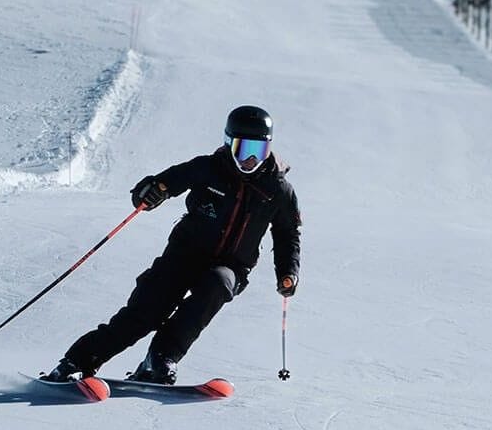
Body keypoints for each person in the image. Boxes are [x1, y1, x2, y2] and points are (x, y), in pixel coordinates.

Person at [44, 105, 302, 385]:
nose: (250, 159)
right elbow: (166, 182)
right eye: (243, 149)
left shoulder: (279, 190)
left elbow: (288, 234)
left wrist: (288, 272)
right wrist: (153, 191)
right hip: (183, 256)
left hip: (231, 266)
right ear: (229, 144)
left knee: (216, 286)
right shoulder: (208, 168)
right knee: (145, 313)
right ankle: (77, 362)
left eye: (258, 150)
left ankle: (161, 359)